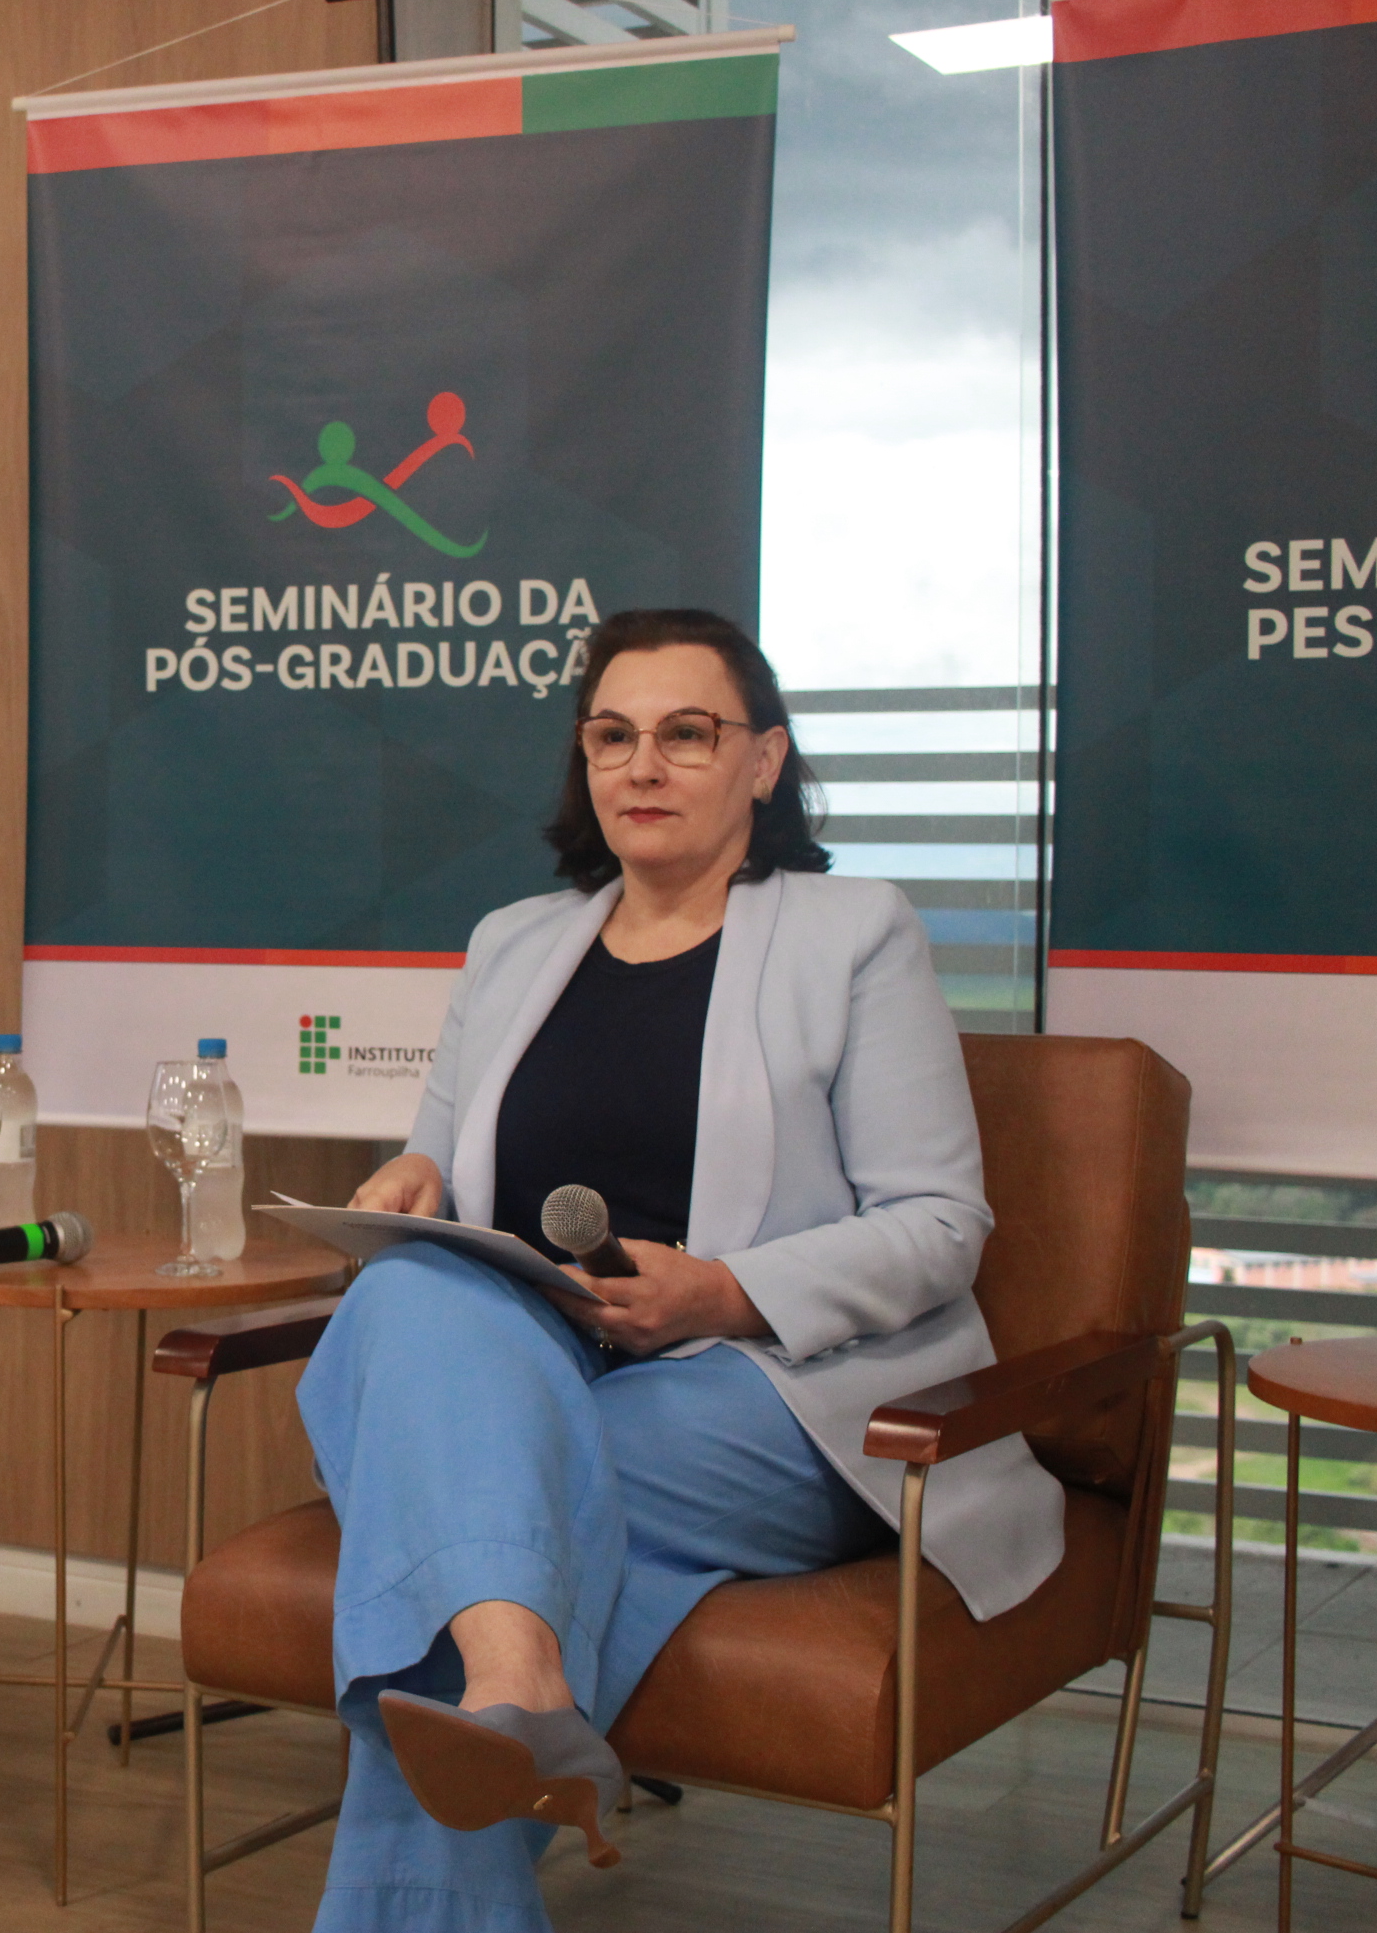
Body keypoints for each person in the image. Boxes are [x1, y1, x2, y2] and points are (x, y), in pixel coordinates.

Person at [298, 608, 1062, 1931]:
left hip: (769, 1388)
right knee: (415, 1300)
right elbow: (442, 1155)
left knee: (470, 1505)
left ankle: (502, 1674)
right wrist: (414, 1174)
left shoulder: (853, 932)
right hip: (534, 1358)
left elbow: (941, 1224)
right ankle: (520, 1688)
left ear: (763, 761)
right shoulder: (513, 941)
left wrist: (722, 1290)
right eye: (612, 736)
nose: (642, 766)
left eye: (686, 735)